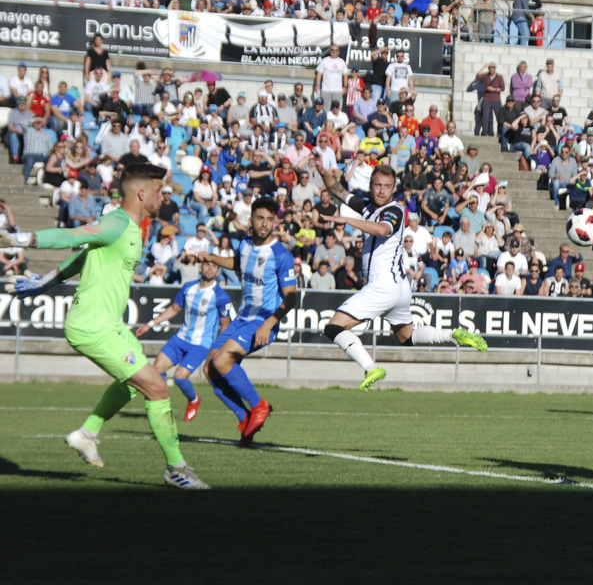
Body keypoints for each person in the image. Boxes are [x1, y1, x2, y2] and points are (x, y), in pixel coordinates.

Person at [2, 164, 208, 489]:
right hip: (92, 327)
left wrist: (43, 284)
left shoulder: (132, 229)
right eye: (158, 192)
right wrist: (20, 238)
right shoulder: (116, 223)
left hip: (110, 325)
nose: (162, 197)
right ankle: (176, 469)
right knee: (156, 387)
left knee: (132, 383)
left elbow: (83, 257)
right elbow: (71, 236)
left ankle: (87, 434)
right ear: (142, 194)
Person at [318, 165, 488, 391]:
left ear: (393, 189)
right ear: (370, 186)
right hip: (399, 288)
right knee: (407, 337)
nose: (381, 191)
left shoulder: (394, 210)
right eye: (377, 185)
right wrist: (320, 169)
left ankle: (370, 367)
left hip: (383, 287)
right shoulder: (368, 207)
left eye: (387, 187)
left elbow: (381, 230)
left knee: (333, 328)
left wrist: (348, 221)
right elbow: (337, 189)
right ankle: (453, 334)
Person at [198, 196, 297, 448]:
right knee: (209, 369)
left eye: (269, 220)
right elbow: (238, 265)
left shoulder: (281, 255)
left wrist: (268, 324)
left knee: (222, 360)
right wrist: (210, 257)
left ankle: (258, 406)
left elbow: (292, 297)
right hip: (242, 318)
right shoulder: (244, 243)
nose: (264, 224)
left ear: (275, 222)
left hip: (264, 320)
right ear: (250, 219)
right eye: (260, 218)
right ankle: (245, 418)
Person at [134, 259, 232, 422]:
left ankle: (194, 400)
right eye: (207, 264)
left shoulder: (221, 296)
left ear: (217, 272)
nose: (210, 268)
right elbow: (174, 309)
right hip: (180, 339)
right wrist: (150, 324)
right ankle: (160, 410)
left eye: (214, 266)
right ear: (200, 267)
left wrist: (219, 350)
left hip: (201, 344)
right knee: (156, 370)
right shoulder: (188, 288)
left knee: (180, 377)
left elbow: (225, 325)